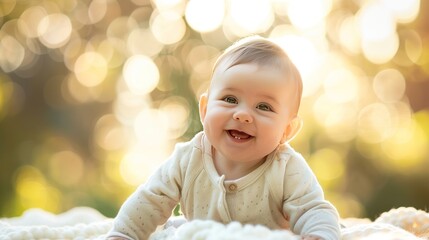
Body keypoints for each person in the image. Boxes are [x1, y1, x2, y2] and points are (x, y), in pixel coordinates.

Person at [106, 36, 341, 240]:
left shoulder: (286, 168)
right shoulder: (188, 159)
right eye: (230, 99)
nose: (242, 115)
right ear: (205, 109)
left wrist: (319, 234)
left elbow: (312, 209)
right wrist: (123, 234)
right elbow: (149, 200)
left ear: (287, 131)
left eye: (263, 106)